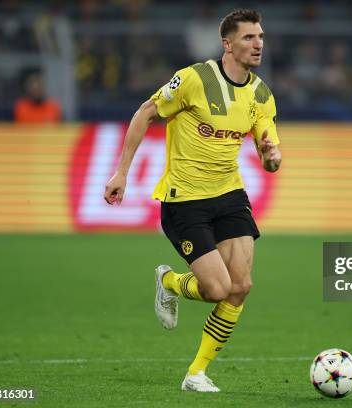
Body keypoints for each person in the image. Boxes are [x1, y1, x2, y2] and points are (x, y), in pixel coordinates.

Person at [103, 9, 281, 392]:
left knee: (241, 286)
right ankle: (168, 281)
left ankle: (196, 373)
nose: (259, 44)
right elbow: (145, 113)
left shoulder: (261, 94)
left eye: (261, 36)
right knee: (217, 289)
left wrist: (272, 156)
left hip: (230, 195)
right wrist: (121, 172)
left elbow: (270, 159)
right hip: (185, 201)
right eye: (249, 38)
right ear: (227, 44)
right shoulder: (193, 79)